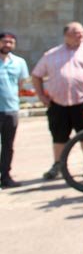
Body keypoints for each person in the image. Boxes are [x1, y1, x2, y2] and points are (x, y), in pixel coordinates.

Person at [31, 22, 83, 180]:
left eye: (82, 32)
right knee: (59, 135)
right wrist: (41, 96)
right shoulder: (51, 54)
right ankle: (58, 164)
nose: (81, 35)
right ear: (66, 35)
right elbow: (36, 75)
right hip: (58, 103)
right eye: (76, 32)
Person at [0, 32, 29, 188]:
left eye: (11, 42)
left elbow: (20, 84)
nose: (7, 45)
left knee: (8, 145)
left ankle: (5, 176)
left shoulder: (19, 62)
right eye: (5, 41)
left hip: (10, 109)